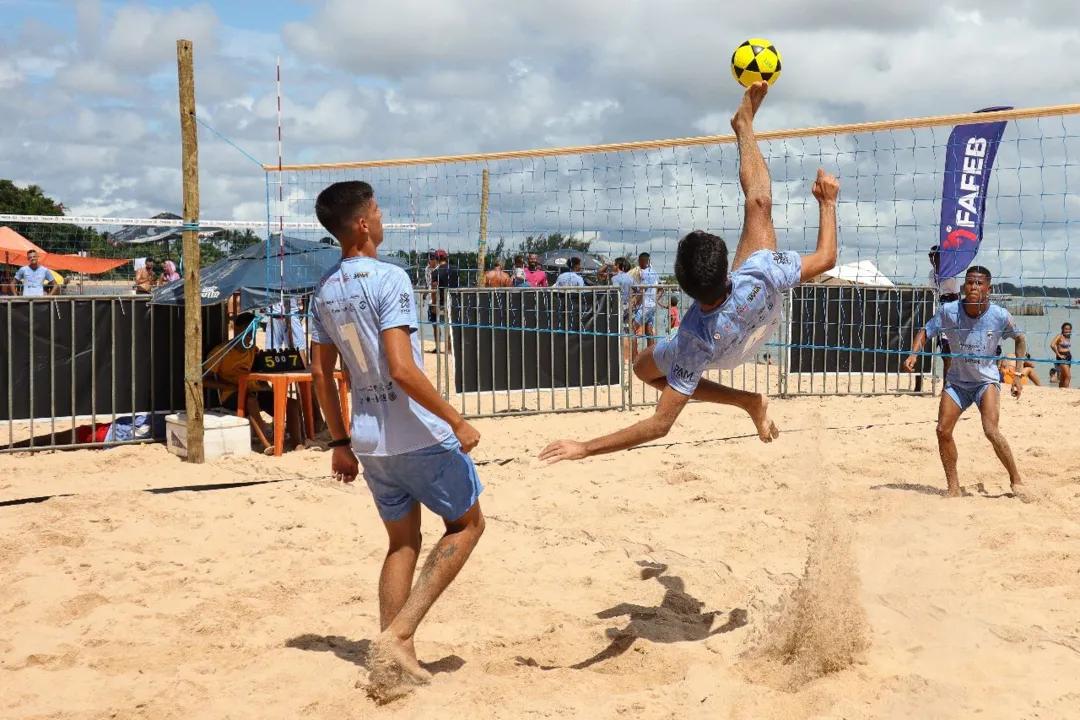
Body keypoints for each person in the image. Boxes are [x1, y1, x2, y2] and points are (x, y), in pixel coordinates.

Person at [539, 81, 840, 464]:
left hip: (722, 350)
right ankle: (743, 126)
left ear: (686, 290)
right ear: (728, 267)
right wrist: (827, 202)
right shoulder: (761, 271)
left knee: (642, 368)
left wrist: (584, 448)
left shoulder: (691, 340)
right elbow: (826, 257)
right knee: (760, 204)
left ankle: (747, 401)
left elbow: (659, 425)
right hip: (761, 319)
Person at [307, 180, 485, 695]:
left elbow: (321, 375)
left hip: (366, 438)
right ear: (362, 224)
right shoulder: (389, 278)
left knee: (401, 542)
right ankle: (401, 634)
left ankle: (390, 660)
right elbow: (403, 369)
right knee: (467, 526)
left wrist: (339, 442)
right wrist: (456, 419)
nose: (383, 219)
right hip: (418, 434)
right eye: (378, 211)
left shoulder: (323, 289)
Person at [903, 266, 1027, 498]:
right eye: (970, 282)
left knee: (990, 430)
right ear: (963, 287)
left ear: (988, 289)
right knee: (942, 430)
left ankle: (1016, 479)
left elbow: (1020, 339)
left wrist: (1018, 376)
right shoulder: (948, 311)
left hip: (985, 381)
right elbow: (924, 332)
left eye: (979, 283)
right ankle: (953, 488)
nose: (973, 287)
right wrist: (914, 353)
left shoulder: (1000, 315)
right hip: (957, 382)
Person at [204, 312, 305, 454]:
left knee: (291, 403)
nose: (249, 334)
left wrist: (267, 387)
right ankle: (267, 444)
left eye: (252, 331)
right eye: (246, 330)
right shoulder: (221, 351)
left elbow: (260, 374)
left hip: (254, 390)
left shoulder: (253, 350)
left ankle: (297, 444)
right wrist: (230, 386)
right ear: (236, 328)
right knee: (251, 401)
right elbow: (203, 380)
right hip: (231, 394)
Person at [928, 245, 963, 380]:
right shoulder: (932, 273)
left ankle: (946, 385)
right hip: (936, 309)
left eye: (935, 256)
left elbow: (956, 296)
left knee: (946, 351)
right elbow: (932, 293)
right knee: (926, 347)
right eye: (931, 256)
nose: (932, 259)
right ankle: (919, 385)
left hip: (949, 310)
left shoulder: (950, 274)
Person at [631, 252, 662, 353]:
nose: (639, 264)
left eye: (639, 261)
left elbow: (642, 290)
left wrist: (635, 303)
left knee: (632, 329)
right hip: (652, 305)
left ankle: (634, 358)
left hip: (645, 305)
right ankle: (651, 356)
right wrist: (656, 299)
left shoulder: (645, 272)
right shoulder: (654, 272)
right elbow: (662, 289)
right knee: (649, 331)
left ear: (643, 261)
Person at [1050, 322, 1071, 389]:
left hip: (1068, 357)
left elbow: (1066, 348)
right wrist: (1058, 354)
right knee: (1068, 376)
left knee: (1063, 376)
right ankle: (1066, 389)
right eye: (1065, 329)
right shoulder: (1060, 336)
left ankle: (1061, 389)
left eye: (1069, 329)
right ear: (1062, 329)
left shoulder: (1068, 336)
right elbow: (1052, 345)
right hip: (1062, 357)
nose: (1067, 330)